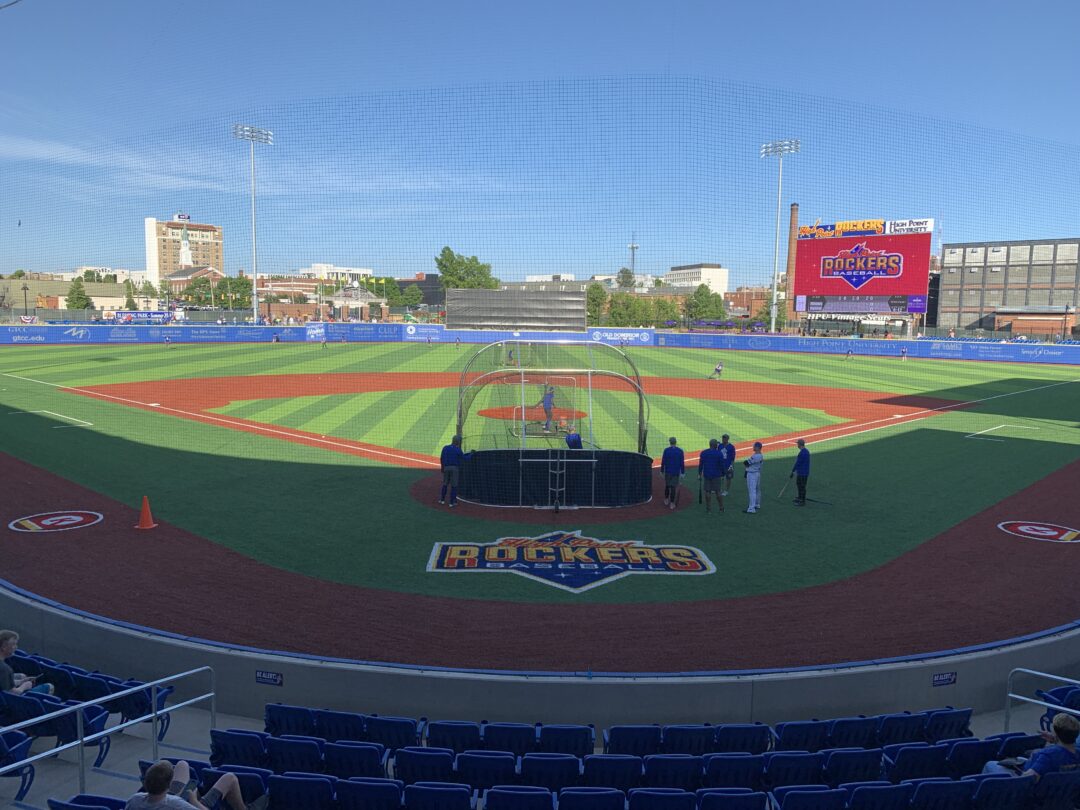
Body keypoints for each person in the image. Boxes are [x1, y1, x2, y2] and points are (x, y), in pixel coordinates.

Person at [126, 758, 266, 810]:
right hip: (191, 803)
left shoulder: (134, 800)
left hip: (171, 796)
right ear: (169, 784)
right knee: (229, 778)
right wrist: (193, 800)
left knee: (182, 764)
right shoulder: (176, 805)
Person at [983, 713, 1080, 781]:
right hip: (1058, 792)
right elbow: (1065, 748)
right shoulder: (1076, 753)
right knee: (1020, 758)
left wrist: (1018, 770)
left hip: (1025, 783)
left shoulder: (1048, 756)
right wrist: (1055, 740)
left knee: (990, 764)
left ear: (1057, 733)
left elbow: (1027, 779)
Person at [0, 630, 54, 695]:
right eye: (13, 644)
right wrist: (25, 686)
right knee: (49, 686)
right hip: (10, 702)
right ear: (3, 647)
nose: (16, 647)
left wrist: (21, 682)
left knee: (22, 677)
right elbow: (12, 694)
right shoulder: (5, 669)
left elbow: (3, 682)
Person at [439, 435, 473, 508]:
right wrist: (471, 454)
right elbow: (465, 458)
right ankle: (452, 502)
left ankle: (442, 500)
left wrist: (442, 468)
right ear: (458, 442)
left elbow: (441, 458)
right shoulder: (458, 450)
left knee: (445, 484)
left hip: (446, 468)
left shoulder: (445, 448)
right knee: (454, 486)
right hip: (454, 469)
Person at [698, 438, 724, 513]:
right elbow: (722, 465)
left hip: (707, 475)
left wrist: (699, 474)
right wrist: (723, 474)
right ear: (715, 445)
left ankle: (708, 509)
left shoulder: (704, 453)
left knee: (707, 491)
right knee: (718, 491)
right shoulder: (719, 453)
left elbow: (700, 465)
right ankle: (721, 508)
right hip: (716, 475)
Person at [660, 436, 685, 510]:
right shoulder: (680, 451)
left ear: (670, 442)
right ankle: (671, 503)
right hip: (675, 472)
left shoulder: (666, 450)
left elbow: (663, 461)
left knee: (667, 486)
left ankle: (666, 499)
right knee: (673, 487)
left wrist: (661, 470)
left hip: (668, 472)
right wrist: (683, 472)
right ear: (675, 442)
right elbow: (682, 463)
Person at [743, 441, 764, 513]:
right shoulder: (759, 455)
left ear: (757, 447)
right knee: (757, 490)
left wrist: (746, 465)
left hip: (752, 475)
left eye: (754, 446)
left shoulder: (756, 456)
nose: (753, 447)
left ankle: (751, 508)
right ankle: (757, 504)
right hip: (757, 474)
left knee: (752, 491)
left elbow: (746, 463)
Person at [790, 438, 810, 506]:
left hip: (802, 473)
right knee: (799, 485)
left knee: (802, 486)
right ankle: (799, 497)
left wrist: (793, 471)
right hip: (803, 472)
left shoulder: (802, 453)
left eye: (797, 444)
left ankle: (802, 501)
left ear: (800, 444)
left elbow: (798, 463)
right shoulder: (806, 451)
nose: (797, 445)